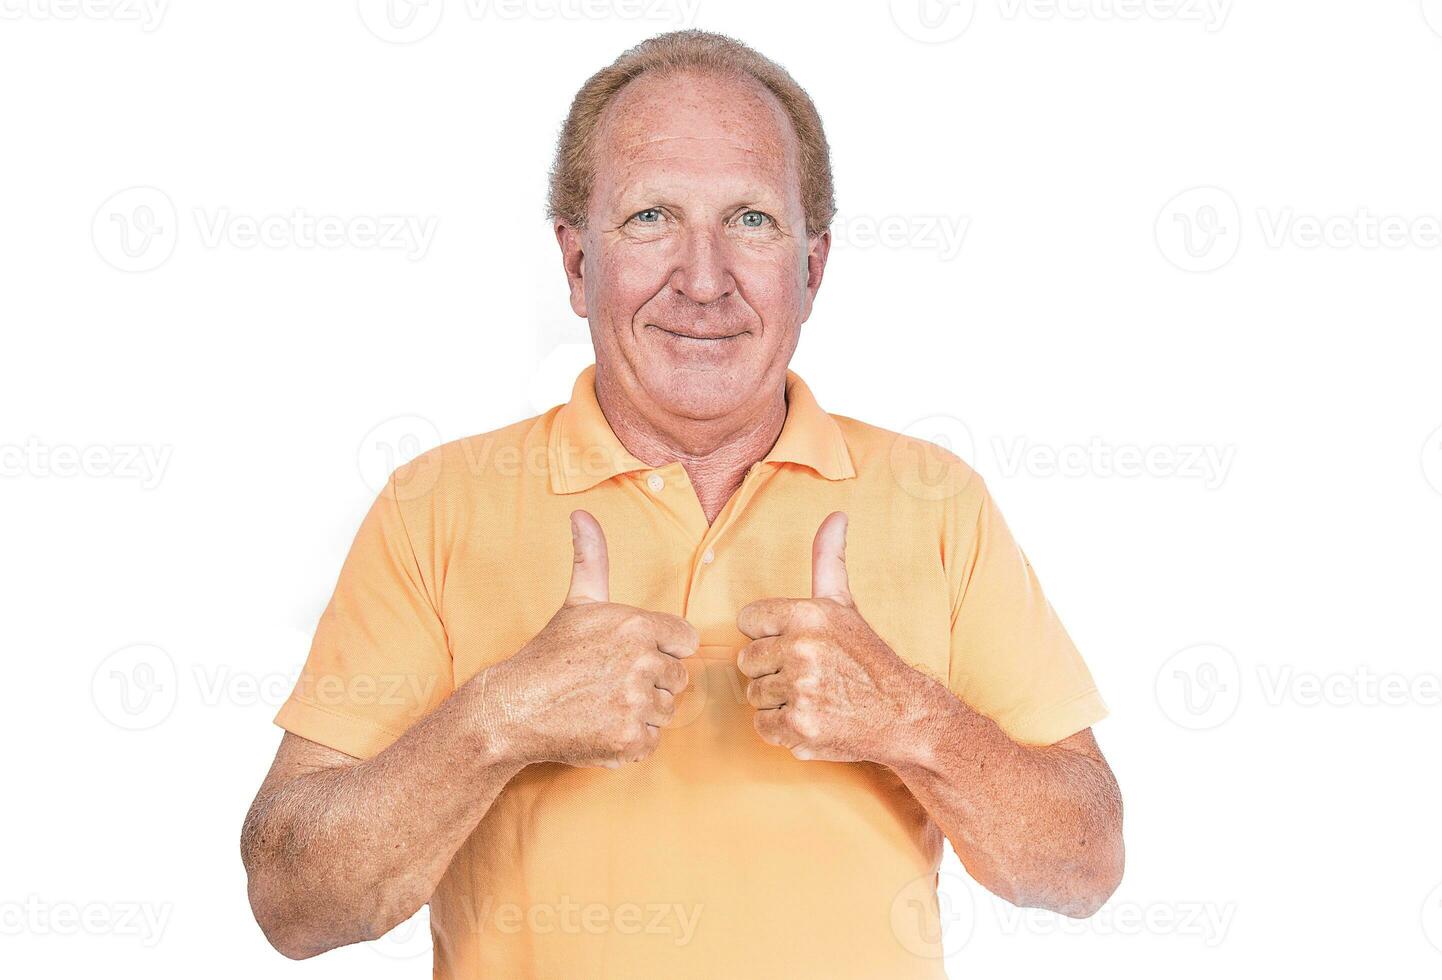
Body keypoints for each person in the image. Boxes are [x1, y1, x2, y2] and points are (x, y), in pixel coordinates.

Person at [240, 29, 1124, 979]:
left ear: (812, 268)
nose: (704, 282)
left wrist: (910, 719)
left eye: (750, 220)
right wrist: (498, 718)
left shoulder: (937, 499)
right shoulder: (435, 507)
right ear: (577, 266)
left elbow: (1084, 865)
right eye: (651, 217)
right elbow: (294, 903)